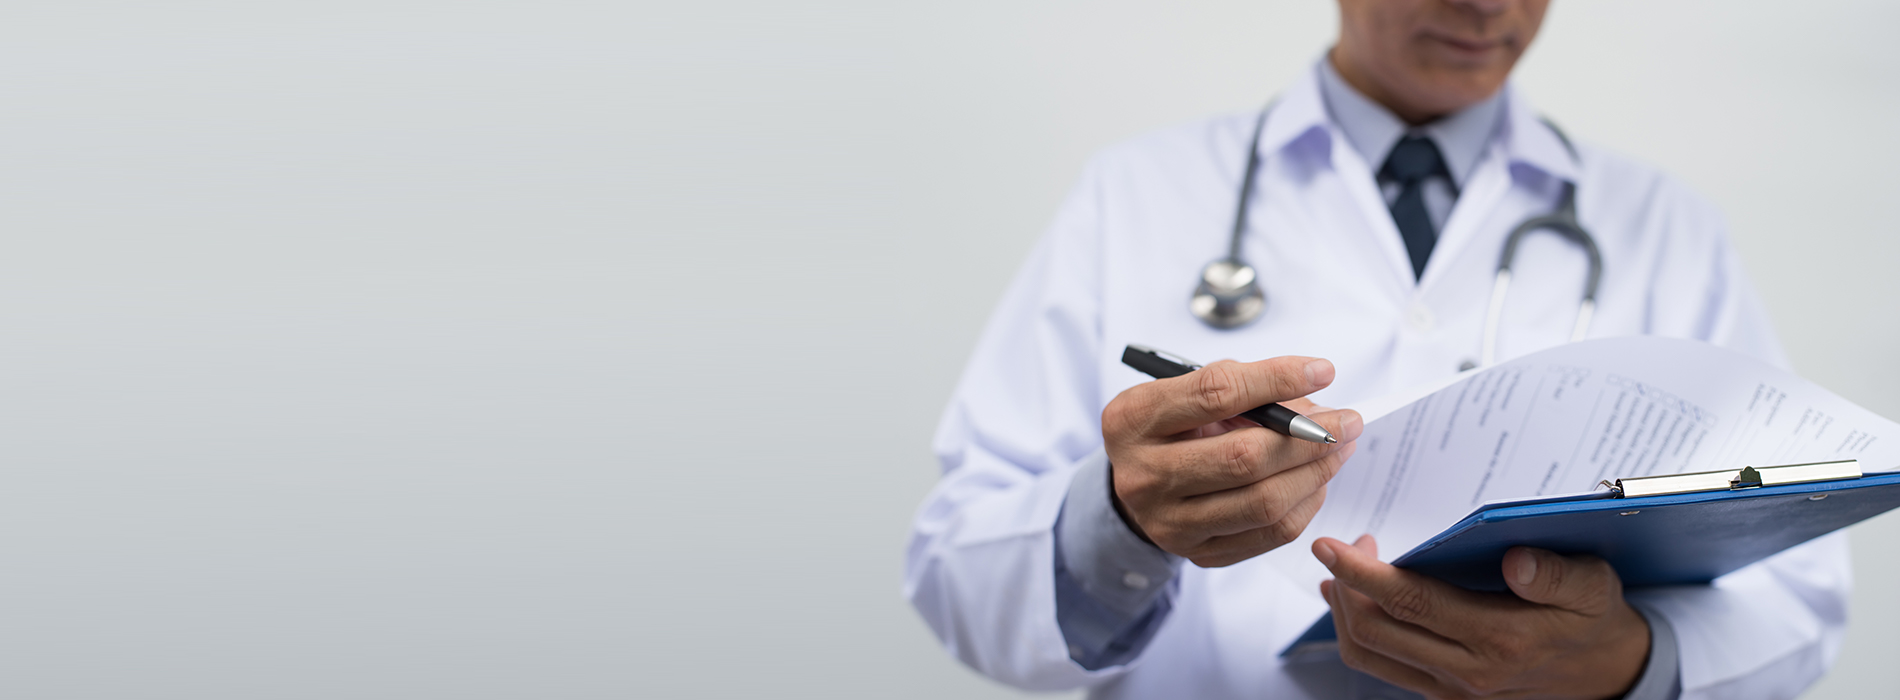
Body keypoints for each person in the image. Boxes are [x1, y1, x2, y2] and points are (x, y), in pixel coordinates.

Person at [904, 1, 1849, 699]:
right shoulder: (1136, 195)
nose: (1491, 9)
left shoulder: (1664, 226)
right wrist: (1120, 519)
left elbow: (1799, 591)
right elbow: (957, 571)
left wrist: (1625, 663)